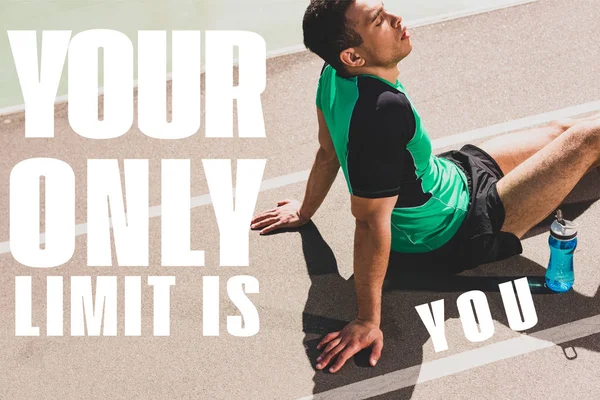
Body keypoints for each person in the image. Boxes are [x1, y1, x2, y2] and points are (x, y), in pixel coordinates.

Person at [250, 0, 600, 374]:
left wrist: (304, 211)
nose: (396, 18)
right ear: (352, 55)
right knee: (587, 140)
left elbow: (326, 150)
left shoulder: (333, 75)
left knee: (561, 131)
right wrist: (368, 321)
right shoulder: (381, 113)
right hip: (459, 229)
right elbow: (369, 223)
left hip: (450, 175)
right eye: (378, 20)